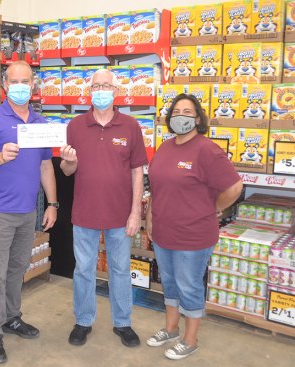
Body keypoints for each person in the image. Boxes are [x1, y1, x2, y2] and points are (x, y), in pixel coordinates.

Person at [0, 60, 58, 364]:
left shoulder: (40, 124)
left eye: (26, 80)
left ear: (34, 85)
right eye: (14, 81)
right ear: (5, 85)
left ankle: (12, 317)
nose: (21, 86)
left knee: (17, 268)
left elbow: (46, 165)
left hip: (27, 211)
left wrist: (53, 203)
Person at [145, 93, 242, 360]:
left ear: (198, 119)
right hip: (164, 231)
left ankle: (190, 339)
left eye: (188, 112)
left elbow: (234, 187)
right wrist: (150, 217)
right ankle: (171, 329)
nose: (181, 117)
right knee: (171, 284)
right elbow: (156, 187)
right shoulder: (165, 147)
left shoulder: (207, 149)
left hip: (194, 235)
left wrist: (214, 208)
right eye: (177, 111)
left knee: (189, 286)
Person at [60, 68, 147, 348]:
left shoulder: (131, 126)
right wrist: (69, 160)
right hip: (84, 212)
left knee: (120, 269)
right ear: (89, 91)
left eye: (106, 85)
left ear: (116, 91)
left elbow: (137, 171)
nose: (101, 90)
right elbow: (67, 170)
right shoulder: (75, 126)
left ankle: (123, 322)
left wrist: (136, 212)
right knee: (83, 269)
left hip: (120, 214)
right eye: (96, 86)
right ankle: (83, 320)